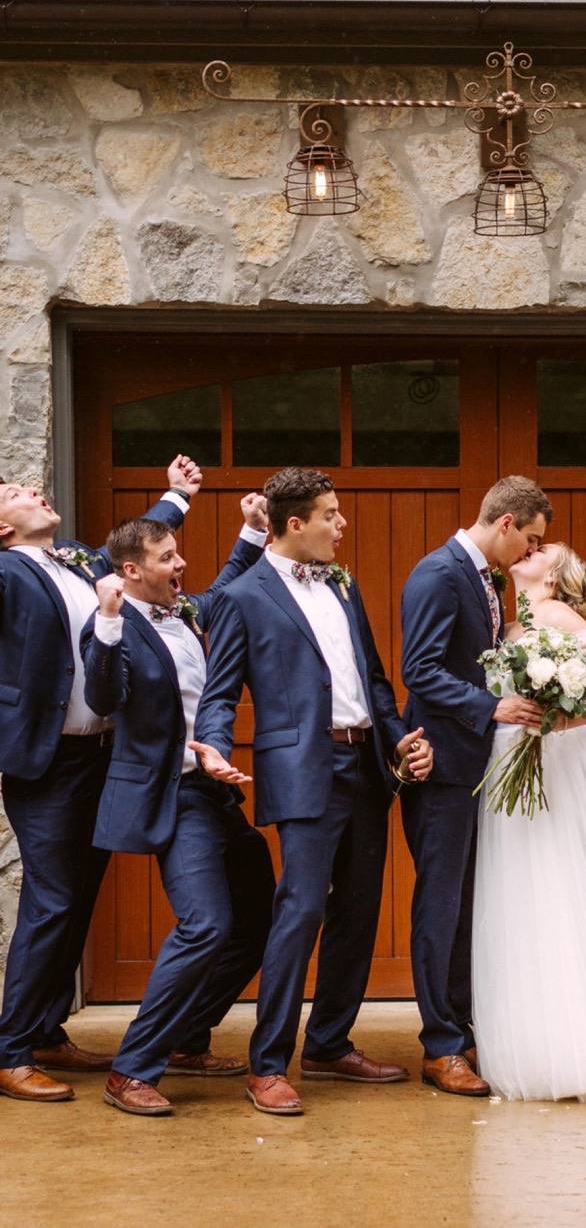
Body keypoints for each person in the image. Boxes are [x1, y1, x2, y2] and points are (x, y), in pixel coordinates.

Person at [191, 467, 432, 1116]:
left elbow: (373, 679)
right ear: (294, 523)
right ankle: (267, 1062)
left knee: (358, 905)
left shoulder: (343, 584)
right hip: (303, 766)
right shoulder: (245, 595)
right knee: (300, 909)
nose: (341, 523)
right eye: (331, 513)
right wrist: (211, 742)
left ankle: (328, 1043)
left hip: (365, 765)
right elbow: (218, 693)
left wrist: (397, 739)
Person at [0, 457, 200, 1105]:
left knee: (80, 899)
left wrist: (177, 495)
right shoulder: (5, 572)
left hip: (101, 757)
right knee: (53, 899)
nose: (33, 489)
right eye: (16, 492)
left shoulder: (80, 561)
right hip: (46, 761)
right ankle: (9, 1050)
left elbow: (140, 545)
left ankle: (45, 1028)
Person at [81, 497, 273, 1116]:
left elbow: (223, 589)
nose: (180, 564)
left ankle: (188, 1038)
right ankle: (132, 1069)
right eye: (167, 558)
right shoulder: (113, 625)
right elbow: (105, 694)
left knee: (258, 918)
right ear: (131, 571)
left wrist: (251, 530)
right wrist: (107, 621)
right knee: (206, 923)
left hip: (217, 789)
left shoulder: (182, 611)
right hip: (174, 794)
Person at [472, 540, 586, 1102]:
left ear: (554, 574)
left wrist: (556, 722)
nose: (527, 551)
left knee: (556, 893)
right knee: (519, 902)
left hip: (553, 763)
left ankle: (579, 1049)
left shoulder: (555, 614)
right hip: (508, 759)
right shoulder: (508, 625)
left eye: (539, 549)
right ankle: (527, 1041)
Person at [400, 475, 551, 1097]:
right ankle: (440, 1047)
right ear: (507, 523)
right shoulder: (438, 574)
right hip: (441, 768)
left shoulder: (484, 578)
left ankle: (459, 1031)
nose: (533, 554)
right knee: (439, 907)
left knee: (463, 906)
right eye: (532, 539)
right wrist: (493, 706)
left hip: (476, 766)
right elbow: (420, 669)